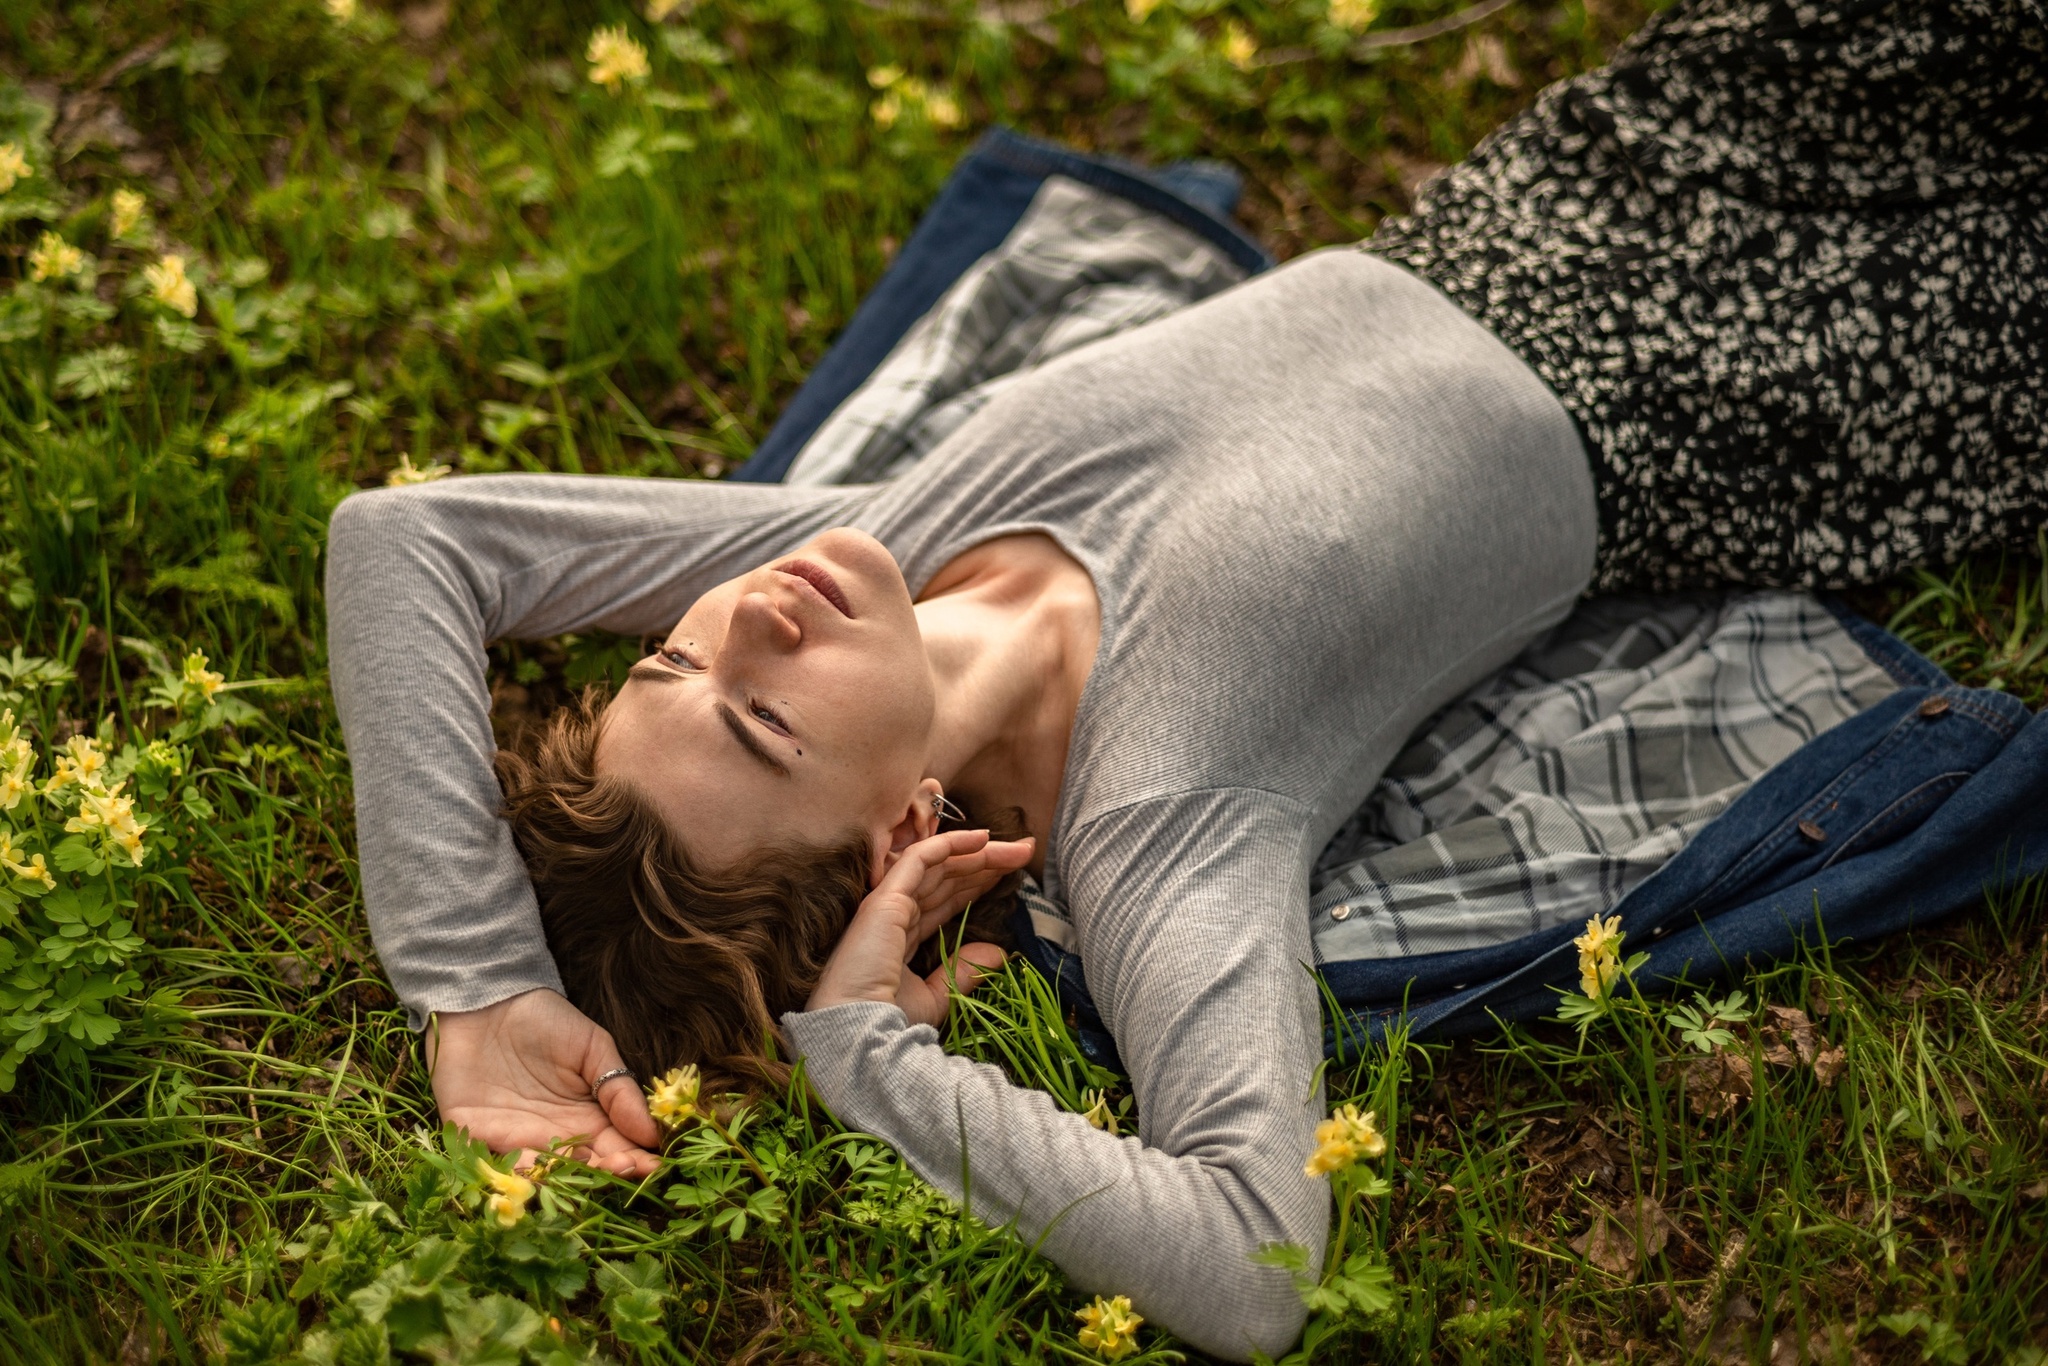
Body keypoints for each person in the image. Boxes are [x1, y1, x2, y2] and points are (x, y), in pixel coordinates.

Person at [324, 2, 2044, 1358]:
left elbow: (404, 543)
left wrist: (470, 977)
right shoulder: (1170, 818)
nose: (752, 619)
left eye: (679, 654)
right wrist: (858, 1044)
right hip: (1760, 389)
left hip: (1582, 182)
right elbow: (1252, 1264)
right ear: (894, 841)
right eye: (760, 718)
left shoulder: (865, 531)